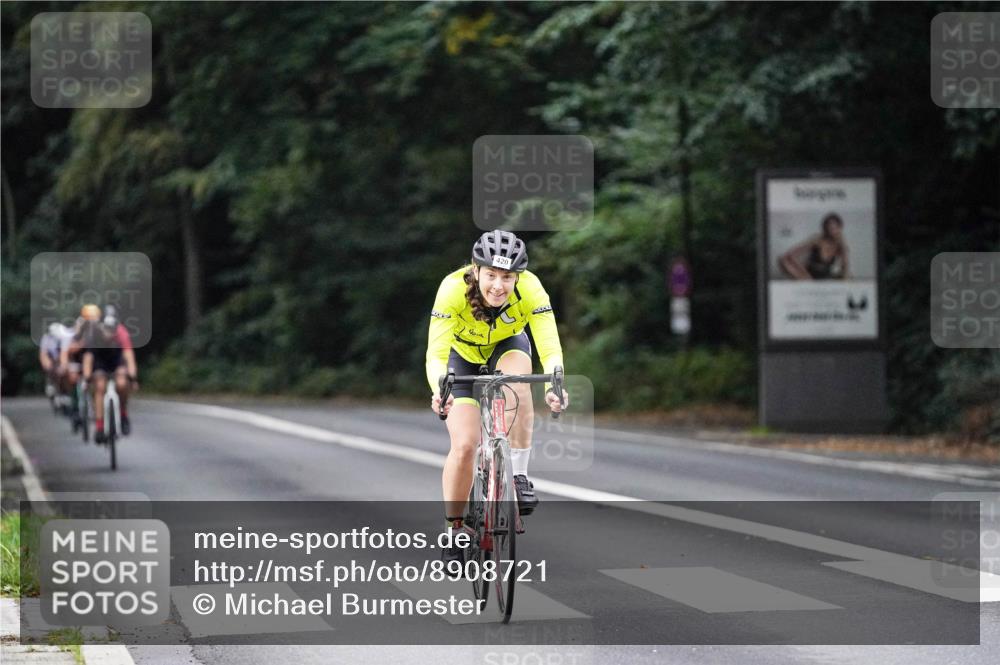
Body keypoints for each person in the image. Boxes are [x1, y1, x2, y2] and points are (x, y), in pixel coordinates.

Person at [426, 230, 569, 567]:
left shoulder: (531, 289)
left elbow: (548, 343)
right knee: (465, 445)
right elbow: (436, 352)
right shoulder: (452, 289)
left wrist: (555, 384)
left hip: (507, 346)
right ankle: (455, 529)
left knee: (518, 383)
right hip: (461, 358)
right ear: (476, 271)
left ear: (518, 277)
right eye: (491, 275)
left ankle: (517, 475)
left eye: (507, 277)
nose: (498, 286)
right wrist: (439, 388)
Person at [81, 304, 139, 443]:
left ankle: (123, 414)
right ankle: (100, 427)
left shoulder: (122, 333)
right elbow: (88, 358)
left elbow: (128, 355)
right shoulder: (94, 334)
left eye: (112, 329)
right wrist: (87, 378)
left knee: (122, 383)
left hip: (116, 361)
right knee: (100, 387)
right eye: (106, 329)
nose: (109, 333)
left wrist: (132, 377)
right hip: (100, 361)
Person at [778, 213, 851, 280]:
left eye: (835, 228)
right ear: (825, 228)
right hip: (809, 275)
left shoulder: (841, 244)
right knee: (782, 259)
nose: (832, 230)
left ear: (840, 228)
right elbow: (791, 254)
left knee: (848, 277)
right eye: (830, 227)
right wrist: (804, 272)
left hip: (826, 276)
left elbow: (845, 266)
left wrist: (842, 243)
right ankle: (807, 281)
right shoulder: (817, 239)